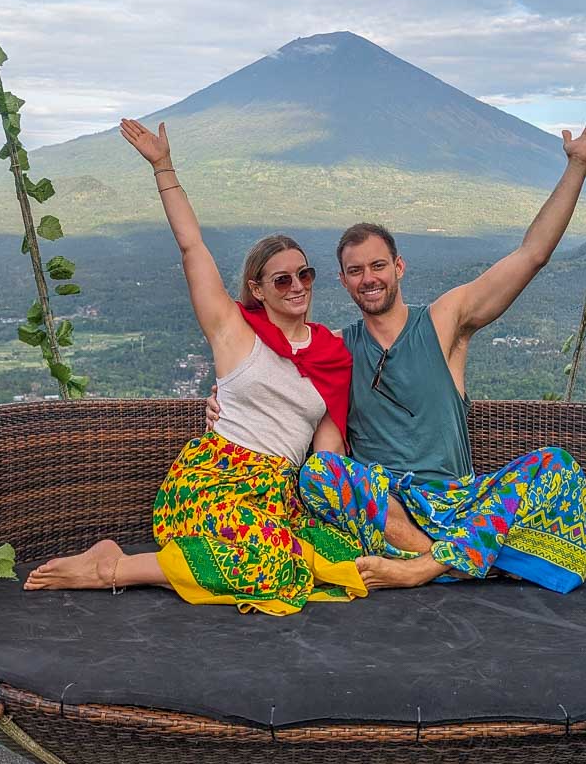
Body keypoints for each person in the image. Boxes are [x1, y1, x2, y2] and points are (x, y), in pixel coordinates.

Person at [210, 99, 586, 595]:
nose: (368, 278)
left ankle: (425, 566)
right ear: (343, 281)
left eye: (377, 266)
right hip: (390, 509)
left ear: (398, 268)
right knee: (322, 473)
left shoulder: (445, 322)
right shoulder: (335, 350)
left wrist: (578, 165)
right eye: (355, 271)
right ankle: (455, 557)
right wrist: (223, 402)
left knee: (558, 466)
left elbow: (531, 254)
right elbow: (264, 367)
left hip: (461, 501)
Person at [24, 118, 367, 615]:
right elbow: (192, 247)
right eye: (281, 279)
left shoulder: (333, 353)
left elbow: (326, 452)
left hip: (276, 494)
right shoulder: (234, 331)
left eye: (304, 274)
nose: (296, 286)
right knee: (268, 565)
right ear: (257, 288)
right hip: (216, 478)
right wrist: (164, 166)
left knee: (334, 560)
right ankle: (112, 569)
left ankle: (129, 563)